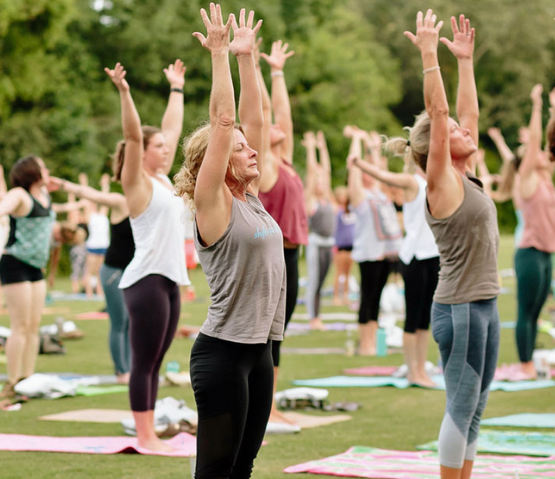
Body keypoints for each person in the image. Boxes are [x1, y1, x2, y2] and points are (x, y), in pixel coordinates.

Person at [173, 5, 284, 478]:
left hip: (259, 351)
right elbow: (224, 121)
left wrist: (246, 58)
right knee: (216, 471)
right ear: (214, 163)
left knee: (245, 466)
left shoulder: (252, 198)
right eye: (239, 149)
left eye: (247, 145)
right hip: (222, 354)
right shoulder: (213, 202)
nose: (251, 148)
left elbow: (252, 119)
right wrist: (218, 55)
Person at [404, 11, 500, 479]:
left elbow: (468, 114)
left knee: (477, 404)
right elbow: (442, 115)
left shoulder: (469, 177)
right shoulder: (440, 181)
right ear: (437, 147)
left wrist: (464, 62)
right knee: (461, 405)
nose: (465, 129)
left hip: (484, 304)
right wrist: (429, 54)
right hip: (459, 308)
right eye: (454, 132)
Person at [105, 57, 189, 452]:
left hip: (169, 279)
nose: (166, 147)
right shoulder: (136, 183)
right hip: (146, 280)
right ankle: (144, 435)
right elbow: (135, 137)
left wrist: (176, 89)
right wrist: (124, 92)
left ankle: (150, 429)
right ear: (145, 151)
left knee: (156, 362)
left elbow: (170, 128)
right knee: (144, 363)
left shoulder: (165, 181)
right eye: (159, 146)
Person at [353, 131, 440, 387]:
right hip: (413, 257)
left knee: (425, 318)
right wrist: (359, 163)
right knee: (413, 318)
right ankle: (413, 371)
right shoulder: (412, 181)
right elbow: (383, 175)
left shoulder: (432, 181)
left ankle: (421, 369)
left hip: (431, 255)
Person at [256, 37, 307, 425]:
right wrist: (252, 68)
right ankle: (265, 408)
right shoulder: (266, 164)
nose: (277, 127)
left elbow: (283, 117)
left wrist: (277, 70)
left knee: (279, 334)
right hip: (273, 257)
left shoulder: (283, 160)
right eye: (267, 125)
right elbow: (263, 113)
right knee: (269, 336)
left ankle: (267, 405)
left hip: (292, 255)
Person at [51, 172, 134, 384]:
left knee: (131, 322)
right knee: (119, 322)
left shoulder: (148, 206)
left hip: (133, 272)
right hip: (114, 271)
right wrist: (62, 183)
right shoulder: (120, 202)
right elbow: (89, 194)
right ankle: (121, 372)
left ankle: (131, 369)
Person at [0, 156, 56, 399]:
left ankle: (27, 379)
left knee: (34, 327)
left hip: (36, 268)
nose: (47, 170)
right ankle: (12, 382)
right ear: (32, 172)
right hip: (15, 264)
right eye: (43, 167)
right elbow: (5, 205)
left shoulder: (46, 197)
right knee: (19, 327)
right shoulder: (20, 195)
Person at [346, 126, 402, 356]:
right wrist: (357, 140)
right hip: (369, 254)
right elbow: (353, 166)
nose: (371, 171)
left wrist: (374, 147)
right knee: (367, 299)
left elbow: (377, 167)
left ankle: (373, 342)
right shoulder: (361, 195)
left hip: (386, 254)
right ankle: (366, 343)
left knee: (376, 300)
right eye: (365, 169)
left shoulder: (379, 192)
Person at [513, 85, 555, 379]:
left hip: (547, 254)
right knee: (525, 312)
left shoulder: (546, 179)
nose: (540, 154)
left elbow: (551, 143)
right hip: (529, 253)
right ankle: (525, 365)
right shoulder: (526, 179)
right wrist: (537, 106)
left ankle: (529, 362)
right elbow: (538, 143)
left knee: (537, 312)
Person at [302, 130, 337, 330]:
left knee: (322, 283)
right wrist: (310, 149)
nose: (321, 181)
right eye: (319, 179)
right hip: (316, 244)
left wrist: (322, 148)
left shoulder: (329, 198)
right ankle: (313, 318)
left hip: (329, 245)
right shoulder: (311, 199)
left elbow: (327, 171)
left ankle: (317, 315)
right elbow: (311, 173)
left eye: (323, 179)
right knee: (314, 282)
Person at [332, 185, 355, 306]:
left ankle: (346, 295)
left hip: (351, 246)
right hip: (340, 247)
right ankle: (336, 296)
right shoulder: (337, 210)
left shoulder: (351, 211)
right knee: (339, 272)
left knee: (348, 273)